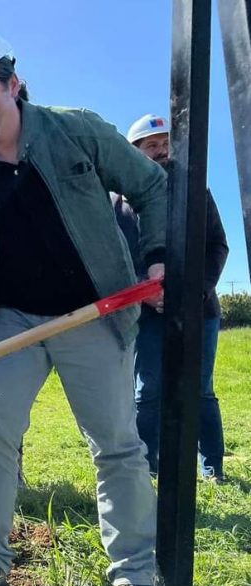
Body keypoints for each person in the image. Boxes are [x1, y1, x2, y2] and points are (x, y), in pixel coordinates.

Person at [0, 25, 166, 586]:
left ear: (11, 82)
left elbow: (151, 187)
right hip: (14, 320)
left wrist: (157, 258)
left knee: (116, 445)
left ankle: (134, 574)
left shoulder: (76, 131)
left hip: (93, 309)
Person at [119, 114, 229, 481]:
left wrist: (197, 290)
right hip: (147, 313)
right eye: (152, 145)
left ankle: (212, 465)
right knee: (147, 390)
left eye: (167, 142)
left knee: (200, 390)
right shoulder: (118, 204)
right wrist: (145, 294)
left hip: (200, 310)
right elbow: (115, 259)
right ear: (134, 151)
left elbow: (217, 245)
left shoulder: (196, 191)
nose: (163, 150)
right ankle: (147, 466)